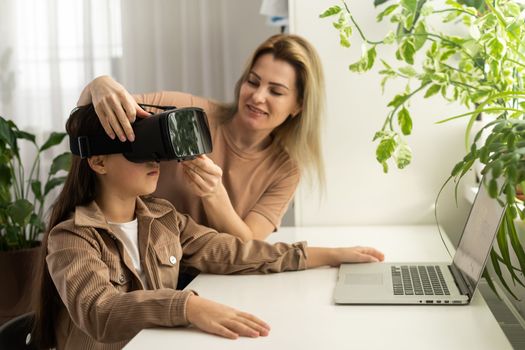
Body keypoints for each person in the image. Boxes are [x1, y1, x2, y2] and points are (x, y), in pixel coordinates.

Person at [32, 105, 384, 350]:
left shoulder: (163, 218)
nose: (155, 160)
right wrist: (187, 307)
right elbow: (99, 311)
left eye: (156, 150)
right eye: (140, 150)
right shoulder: (72, 237)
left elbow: (233, 252)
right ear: (97, 161)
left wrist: (325, 255)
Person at [77, 33, 325, 242]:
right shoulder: (184, 114)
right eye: (253, 81)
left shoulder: (285, 170)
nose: (258, 96)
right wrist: (99, 84)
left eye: (276, 91)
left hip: (212, 275)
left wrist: (214, 194)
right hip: (146, 266)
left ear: (298, 106)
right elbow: (91, 117)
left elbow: (249, 246)